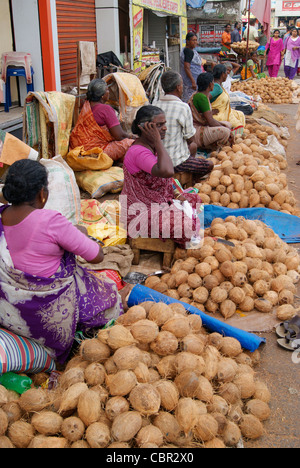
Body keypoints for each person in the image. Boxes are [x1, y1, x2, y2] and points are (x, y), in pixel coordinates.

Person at [0, 160, 125, 363]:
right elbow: (97, 256)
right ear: (42, 194)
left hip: (11, 313)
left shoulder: (2, 215)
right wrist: (81, 233)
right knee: (103, 292)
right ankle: (70, 345)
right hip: (46, 322)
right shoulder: (51, 221)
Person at [120, 106, 202, 249]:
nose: (164, 128)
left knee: (194, 198)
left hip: (159, 204)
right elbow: (167, 171)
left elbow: (166, 178)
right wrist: (158, 141)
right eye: (159, 125)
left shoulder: (152, 148)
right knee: (187, 226)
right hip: (141, 213)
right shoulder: (139, 152)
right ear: (145, 128)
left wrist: (176, 195)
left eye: (164, 124)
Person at [154, 70, 213, 180]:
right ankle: (192, 181)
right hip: (176, 162)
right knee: (209, 164)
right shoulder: (183, 107)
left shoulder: (154, 104)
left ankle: (189, 178)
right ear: (178, 87)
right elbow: (190, 138)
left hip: (157, 160)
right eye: (182, 84)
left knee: (192, 147)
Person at [69, 78, 134, 161]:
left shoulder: (86, 106)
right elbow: (119, 136)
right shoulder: (105, 109)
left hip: (80, 150)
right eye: (107, 89)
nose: (109, 92)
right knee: (131, 143)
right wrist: (132, 137)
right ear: (102, 95)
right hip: (96, 152)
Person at [188, 73, 233, 151]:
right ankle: (212, 147)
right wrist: (226, 129)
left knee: (228, 124)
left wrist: (222, 124)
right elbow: (211, 122)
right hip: (196, 131)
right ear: (210, 84)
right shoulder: (202, 97)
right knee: (226, 132)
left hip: (198, 127)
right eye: (213, 82)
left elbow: (203, 114)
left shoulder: (200, 95)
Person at [210, 64, 246, 129]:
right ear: (223, 74)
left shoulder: (218, 85)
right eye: (226, 73)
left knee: (240, 115)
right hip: (217, 115)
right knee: (238, 126)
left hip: (222, 112)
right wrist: (209, 111)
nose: (227, 75)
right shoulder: (216, 87)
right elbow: (204, 97)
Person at [180, 32, 203, 103]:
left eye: (196, 40)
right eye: (193, 40)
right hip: (191, 82)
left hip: (191, 80)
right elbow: (186, 67)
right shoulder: (188, 51)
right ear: (187, 41)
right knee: (190, 100)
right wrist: (193, 81)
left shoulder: (188, 50)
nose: (195, 42)